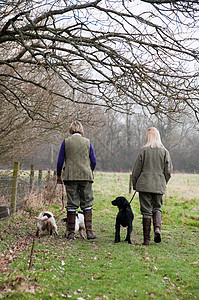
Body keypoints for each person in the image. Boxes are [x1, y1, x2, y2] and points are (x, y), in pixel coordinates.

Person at [132, 127, 173, 245]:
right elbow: (169, 171)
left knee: (146, 211)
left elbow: (136, 170)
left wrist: (135, 185)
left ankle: (146, 240)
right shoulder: (164, 152)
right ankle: (157, 229)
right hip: (159, 185)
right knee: (157, 208)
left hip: (144, 185)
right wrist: (163, 181)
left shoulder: (143, 151)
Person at [57, 121, 97, 240]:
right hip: (86, 177)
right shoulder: (87, 142)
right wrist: (90, 171)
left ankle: (70, 233)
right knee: (87, 203)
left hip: (70, 177)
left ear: (70, 130)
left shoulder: (66, 142)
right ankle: (89, 232)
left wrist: (59, 175)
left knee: (71, 204)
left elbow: (60, 161)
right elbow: (94, 161)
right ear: (81, 130)